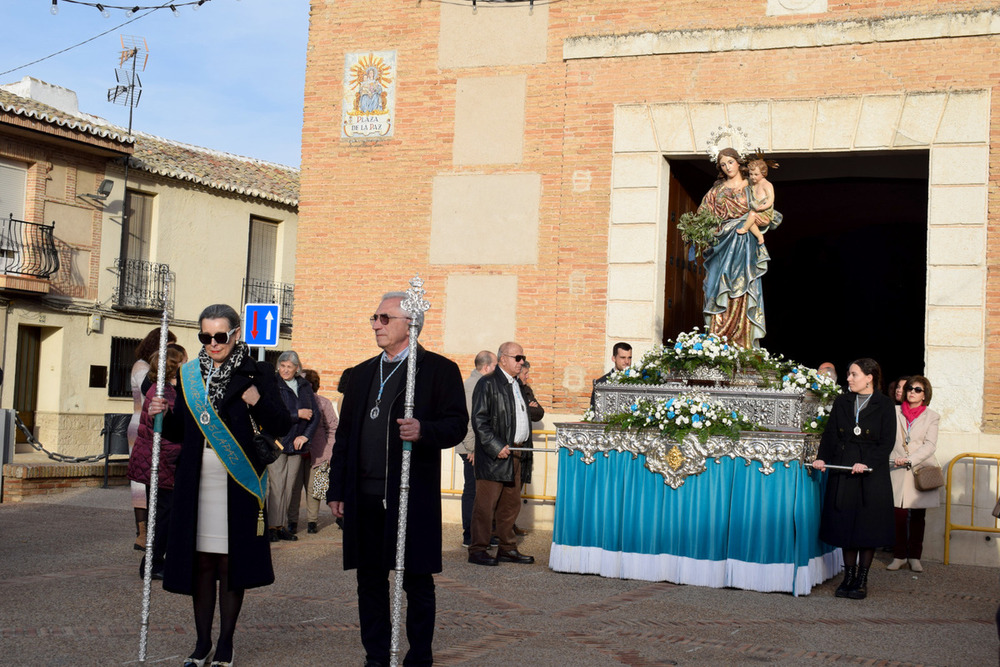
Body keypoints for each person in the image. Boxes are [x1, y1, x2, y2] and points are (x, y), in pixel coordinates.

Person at [327, 292, 467, 667]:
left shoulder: (438, 370)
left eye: (385, 318)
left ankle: (419, 655)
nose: (376, 324)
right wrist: (336, 489)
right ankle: (375, 655)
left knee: (416, 581)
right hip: (364, 496)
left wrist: (424, 430)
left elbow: (456, 424)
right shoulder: (359, 374)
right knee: (369, 581)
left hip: (409, 495)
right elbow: (344, 437)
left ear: (411, 323)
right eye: (375, 317)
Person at [150, 304, 292, 667]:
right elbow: (183, 430)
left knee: (231, 564)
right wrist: (163, 415)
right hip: (196, 481)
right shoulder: (189, 373)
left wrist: (258, 402)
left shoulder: (257, 371)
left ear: (236, 334)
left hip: (237, 479)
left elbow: (281, 423)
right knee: (200, 564)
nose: (213, 343)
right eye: (205, 336)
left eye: (220, 336)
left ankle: (226, 644)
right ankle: (201, 643)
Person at [811, 358, 896, 600]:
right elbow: (829, 435)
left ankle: (862, 579)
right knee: (846, 524)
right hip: (844, 469)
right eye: (848, 374)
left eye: (854, 374)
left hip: (871, 474)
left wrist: (867, 463)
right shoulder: (842, 401)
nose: (848, 379)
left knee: (866, 527)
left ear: (869, 377)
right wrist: (822, 458)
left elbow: (886, 442)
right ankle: (848, 577)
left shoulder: (885, 404)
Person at [699, 147, 782, 349]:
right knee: (717, 288)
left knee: (741, 288)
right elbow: (701, 216)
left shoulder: (751, 187)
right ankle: (716, 343)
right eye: (723, 164)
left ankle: (741, 343)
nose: (728, 167)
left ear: (738, 162)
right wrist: (707, 229)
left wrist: (750, 222)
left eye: (730, 162)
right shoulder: (715, 191)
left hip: (744, 244)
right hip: (721, 245)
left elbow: (766, 212)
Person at [468, 341, 536, 567]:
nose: (522, 362)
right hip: (495, 456)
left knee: (510, 505)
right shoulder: (487, 384)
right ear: (502, 359)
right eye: (518, 358)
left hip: (516, 453)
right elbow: (479, 421)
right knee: (485, 506)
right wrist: (496, 447)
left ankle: (507, 548)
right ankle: (477, 549)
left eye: (523, 358)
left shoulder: (517, 384)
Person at [126, 343, 186, 580]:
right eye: (183, 361)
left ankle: (159, 560)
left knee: (165, 514)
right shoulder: (162, 392)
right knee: (162, 515)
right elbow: (168, 430)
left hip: (162, 460)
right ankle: (151, 564)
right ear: (173, 366)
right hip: (161, 461)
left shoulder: (170, 389)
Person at [129, 327, 177, 551]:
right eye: (168, 347)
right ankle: (142, 532)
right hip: (142, 425)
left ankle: (152, 532)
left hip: (156, 423)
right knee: (141, 481)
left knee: (153, 479)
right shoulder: (143, 367)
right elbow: (148, 388)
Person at [887, 375, 940, 573]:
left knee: (918, 516)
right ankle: (899, 556)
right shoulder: (894, 411)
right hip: (896, 467)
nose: (912, 392)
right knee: (898, 515)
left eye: (917, 389)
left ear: (925, 394)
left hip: (919, 470)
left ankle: (915, 557)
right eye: (910, 388)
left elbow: (930, 445)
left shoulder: (932, 416)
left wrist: (910, 459)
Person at [270, 350, 318, 541]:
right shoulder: (273, 384)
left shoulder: (304, 386)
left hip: (298, 444)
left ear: (297, 368)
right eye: (282, 366)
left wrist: (305, 436)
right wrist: (296, 414)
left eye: (289, 367)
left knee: (289, 487)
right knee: (276, 485)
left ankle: (282, 526)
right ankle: (272, 526)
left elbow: (315, 415)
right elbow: (272, 413)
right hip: (278, 441)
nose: (285, 370)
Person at [459, 350, 497, 548]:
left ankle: (481, 533)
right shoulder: (471, 386)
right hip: (471, 448)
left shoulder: (482, 384)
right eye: (495, 365)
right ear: (487, 367)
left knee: (482, 492)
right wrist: (472, 448)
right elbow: (467, 420)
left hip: (479, 447)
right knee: (472, 491)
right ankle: (469, 535)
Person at [300, 368, 338, 534]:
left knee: (315, 489)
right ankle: (292, 521)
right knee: (294, 489)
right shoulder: (294, 402)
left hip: (320, 452)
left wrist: (329, 452)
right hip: (296, 452)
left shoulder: (323, 403)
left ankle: (312, 522)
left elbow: (333, 428)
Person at [736, 157, 777, 245]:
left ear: (763, 174)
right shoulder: (752, 181)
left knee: (751, 216)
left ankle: (744, 229)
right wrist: (740, 187)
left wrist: (764, 206)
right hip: (755, 211)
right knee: (750, 220)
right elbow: (747, 180)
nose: (753, 177)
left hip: (764, 212)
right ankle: (759, 236)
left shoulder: (767, 184)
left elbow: (770, 199)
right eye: (751, 174)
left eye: (756, 174)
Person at [589, 342, 632, 410]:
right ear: (613, 358)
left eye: (629, 358)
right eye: (622, 357)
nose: (627, 361)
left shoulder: (638, 380)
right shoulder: (601, 383)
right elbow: (594, 409)